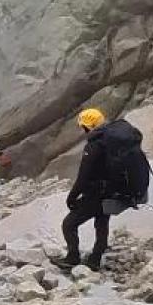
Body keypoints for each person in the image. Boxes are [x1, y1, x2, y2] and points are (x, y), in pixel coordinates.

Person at [57, 108, 111, 270]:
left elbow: (83, 177)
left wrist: (72, 197)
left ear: (88, 126)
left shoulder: (93, 146)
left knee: (69, 224)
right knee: (102, 224)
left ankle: (73, 257)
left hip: (94, 194)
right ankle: (95, 259)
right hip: (111, 193)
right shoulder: (112, 141)